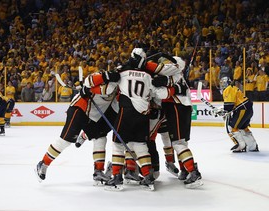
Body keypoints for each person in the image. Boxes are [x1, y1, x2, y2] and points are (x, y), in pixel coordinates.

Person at [104, 48, 187, 191]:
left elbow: (107, 89)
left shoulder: (122, 72)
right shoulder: (148, 76)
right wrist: (175, 89)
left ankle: (117, 177)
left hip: (126, 112)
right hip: (143, 114)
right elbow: (158, 93)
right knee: (141, 145)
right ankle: (148, 176)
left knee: (118, 144)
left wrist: (109, 75)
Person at [35, 71, 120, 182]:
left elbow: (106, 92)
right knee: (65, 140)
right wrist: (103, 78)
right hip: (79, 108)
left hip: (92, 117)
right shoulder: (102, 76)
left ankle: (98, 171)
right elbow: (88, 80)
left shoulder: (119, 87)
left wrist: (89, 90)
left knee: (100, 137)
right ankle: (43, 163)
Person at [143, 53, 203, 189]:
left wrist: (154, 88)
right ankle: (184, 169)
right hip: (181, 108)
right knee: (180, 141)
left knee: (178, 142)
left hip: (176, 107)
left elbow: (163, 94)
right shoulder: (177, 74)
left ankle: (194, 173)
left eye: (166, 63)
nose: (163, 65)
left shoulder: (173, 73)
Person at [213, 79, 259, 153]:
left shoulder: (228, 89)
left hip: (242, 109)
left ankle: (241, 145)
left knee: (232, 127)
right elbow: (231, 105)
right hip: (247, 108)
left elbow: (229, 106)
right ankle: (253, 146)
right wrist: (223, 110)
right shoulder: (233, 88)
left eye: (223, 83)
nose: (221, 85)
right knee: (243, 127)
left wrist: (223, 111)